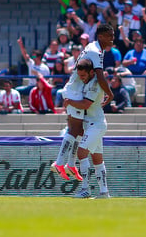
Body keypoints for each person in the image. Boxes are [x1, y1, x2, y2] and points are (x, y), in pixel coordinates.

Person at [51, 24, 114, 181]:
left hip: (77, 90)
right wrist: (110, 94)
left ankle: (71, 165)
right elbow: (99, 75)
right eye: (110, 36)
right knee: (74, 129)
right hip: (75, 91)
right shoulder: (95, 51)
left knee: (79, 132)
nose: (112, 39)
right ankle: (59, 163)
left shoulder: (94, 48)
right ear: (101, 36)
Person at [60, 59, 110, 198]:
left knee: (81, 153)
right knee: (97, 159)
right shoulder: (85, 82)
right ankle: (104, 192)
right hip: (90, 125)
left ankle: (85, 189)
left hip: (96, 124)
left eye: (83, 75)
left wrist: (69, 102)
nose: (81, 78)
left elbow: (85, 104)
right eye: (79, 75)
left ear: (91, 72)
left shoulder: (95, 85)